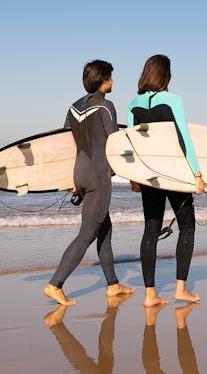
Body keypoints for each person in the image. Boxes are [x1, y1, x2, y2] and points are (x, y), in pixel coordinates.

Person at [43, 60, 134, 306]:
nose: (112, 81)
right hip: (98, 175)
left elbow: (65, 143)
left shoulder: (73, 107)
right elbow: (114, 144)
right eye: (110, 77)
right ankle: (55, 284)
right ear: (103, 80)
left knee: (104, 228)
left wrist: (69, 180)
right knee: (87, 233)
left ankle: (113, 284)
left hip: (79, 174)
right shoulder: (106, 106)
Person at [128, 54, 205, 307]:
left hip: (149, 176)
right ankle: (181, 289)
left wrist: (134, 177)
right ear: (166, 75)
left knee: (150, 231)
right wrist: (197, 174)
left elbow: (131, 144)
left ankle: (150, 295)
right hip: (175, 174)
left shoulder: (133, 105)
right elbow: (184, 139)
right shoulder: (173, 100)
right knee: (188, 227)